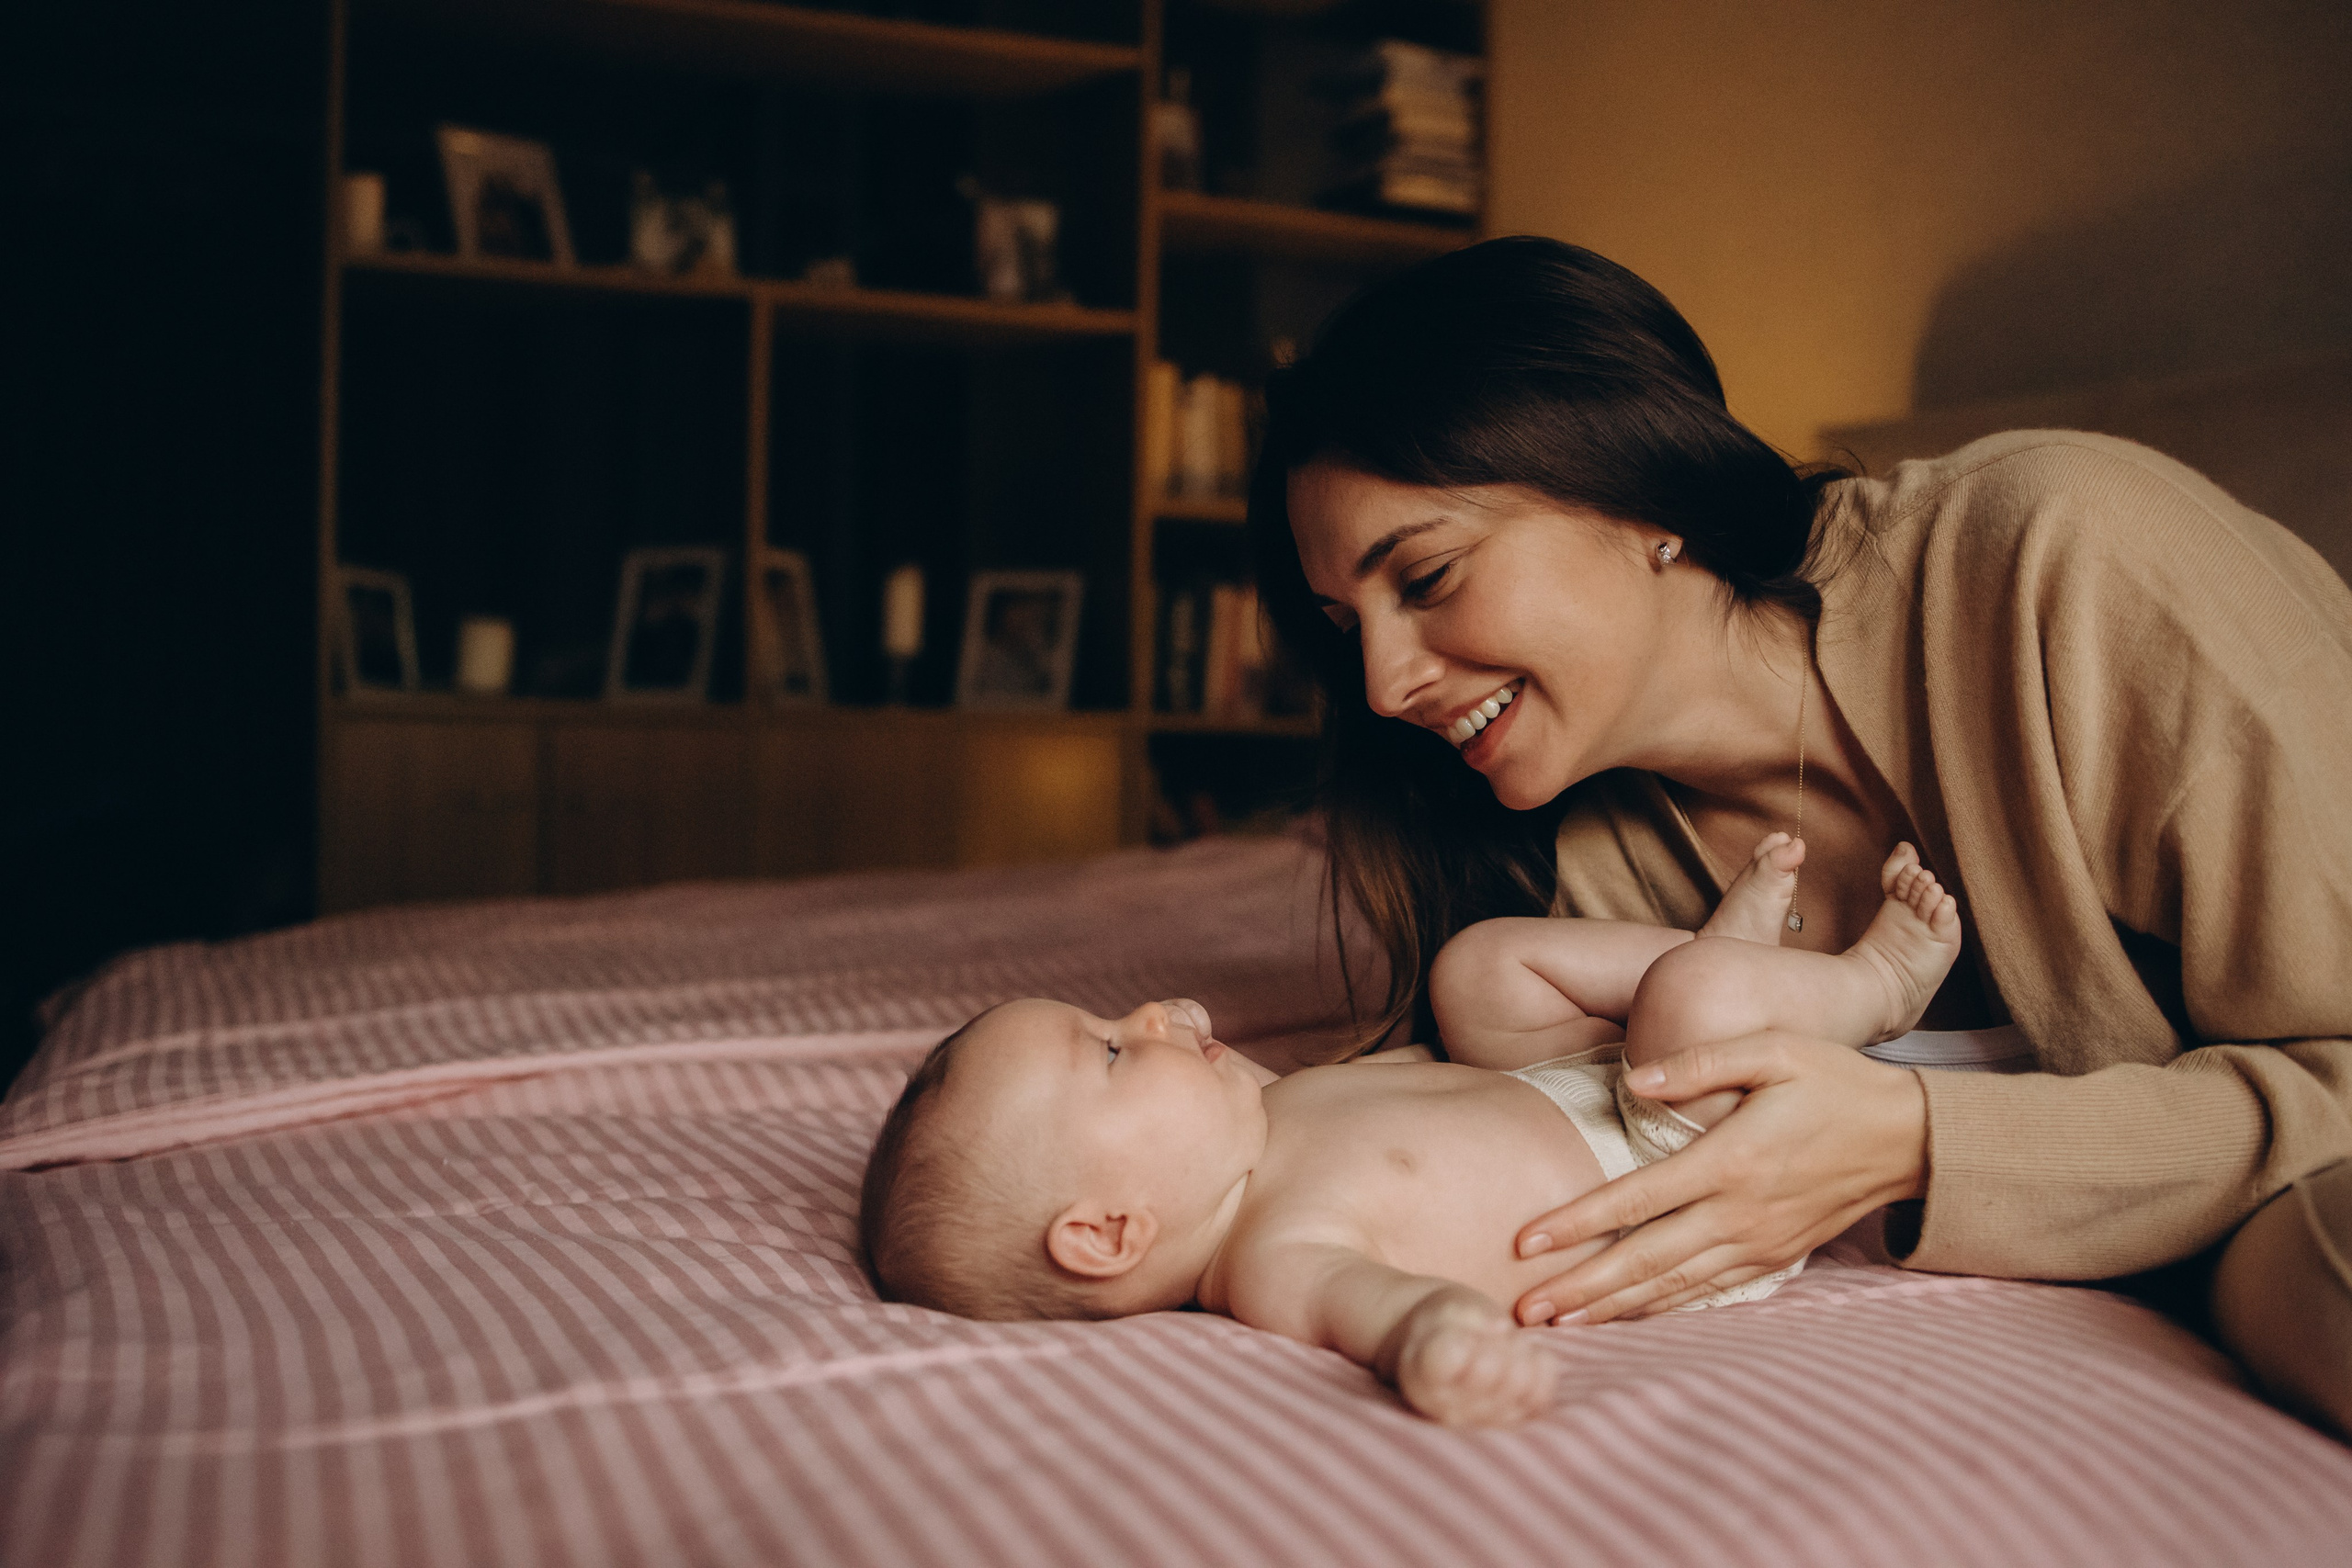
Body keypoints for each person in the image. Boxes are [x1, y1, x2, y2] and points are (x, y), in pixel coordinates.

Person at [1246, 234, 2352, 1433]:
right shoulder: (1578, 880)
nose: (1383, 684)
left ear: (1636, 492)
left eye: (1428, 574)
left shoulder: (2066, 560)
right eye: (1342, 624)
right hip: (2222, 1214)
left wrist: (1920, 1140)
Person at [858, 840, 1964, 1425]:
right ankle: (1869, 984)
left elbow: (1430, 1078)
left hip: (1577, 1083)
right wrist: (1437, 1342)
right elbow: (1382, 1313)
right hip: (1678, 1175)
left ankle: (1715, 958)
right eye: (1107, 1052)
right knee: (1689, 1014)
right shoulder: (1273, 1258)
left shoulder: (1260, 1110)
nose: (1148, 1016)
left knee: (1475, 969)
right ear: (1107, 1231)